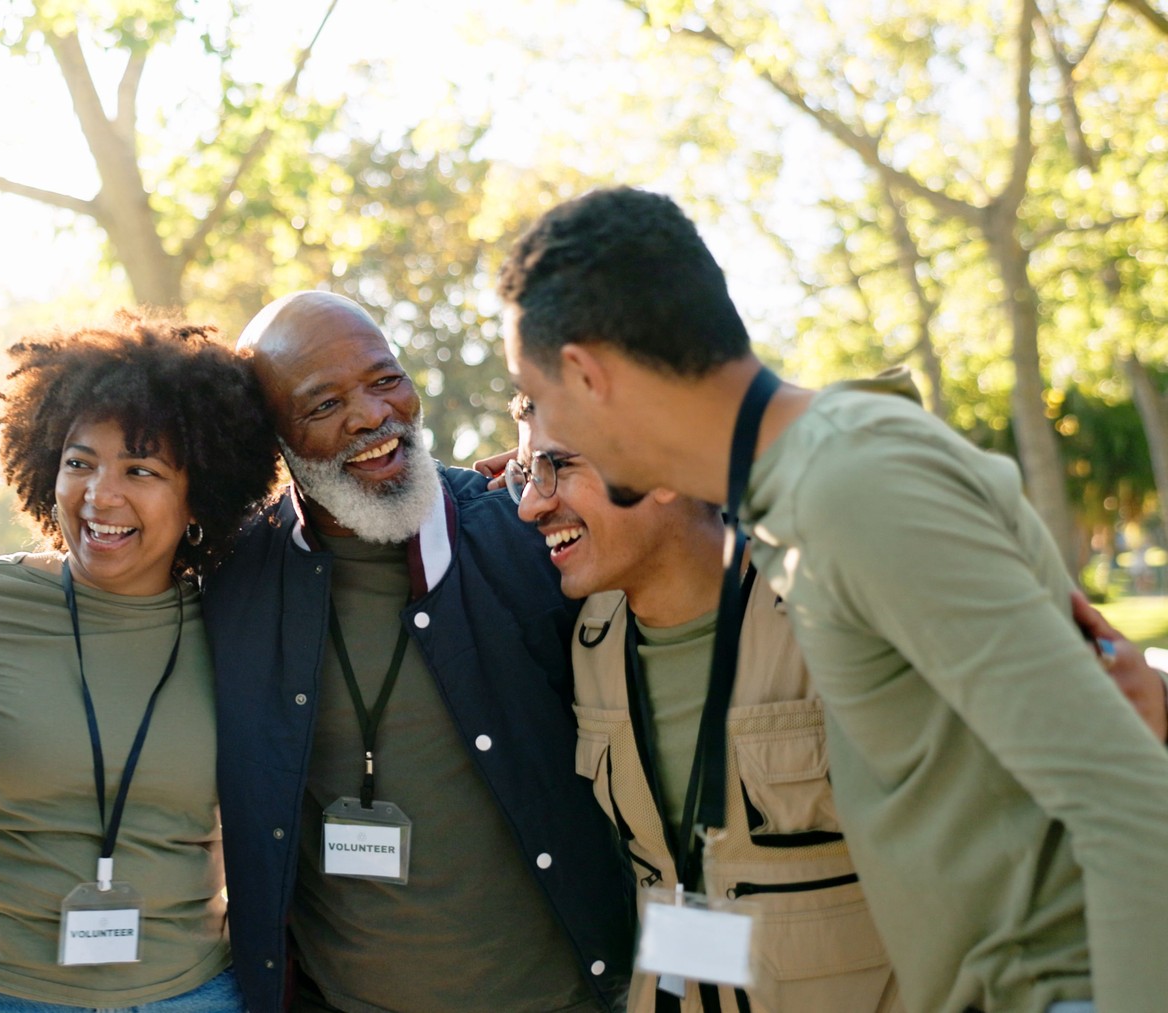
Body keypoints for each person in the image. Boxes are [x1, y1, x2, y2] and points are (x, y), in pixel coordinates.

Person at [498, 186, 1168, 1013]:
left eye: (537, 396)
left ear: (588, 373)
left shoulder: (852, 488)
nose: (527, 479)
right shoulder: (806, 495)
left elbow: (1130, 803)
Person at [206, 290, 634, 1013]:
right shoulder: (234, 587)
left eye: (385, 379)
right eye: (323, 404)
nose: (373, 414)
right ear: (269, 440)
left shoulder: (526, 539)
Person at [0, 311, 279, 1011]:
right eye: (80, 461)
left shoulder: (239, 625)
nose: (100, 495)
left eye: (141, 469)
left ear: (199, 493)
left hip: (188, 994)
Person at [504, 395, 898, 1012]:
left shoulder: (836, 611)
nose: (530, 505)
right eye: (526, 476)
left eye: (557, 467)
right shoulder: (591, 641)